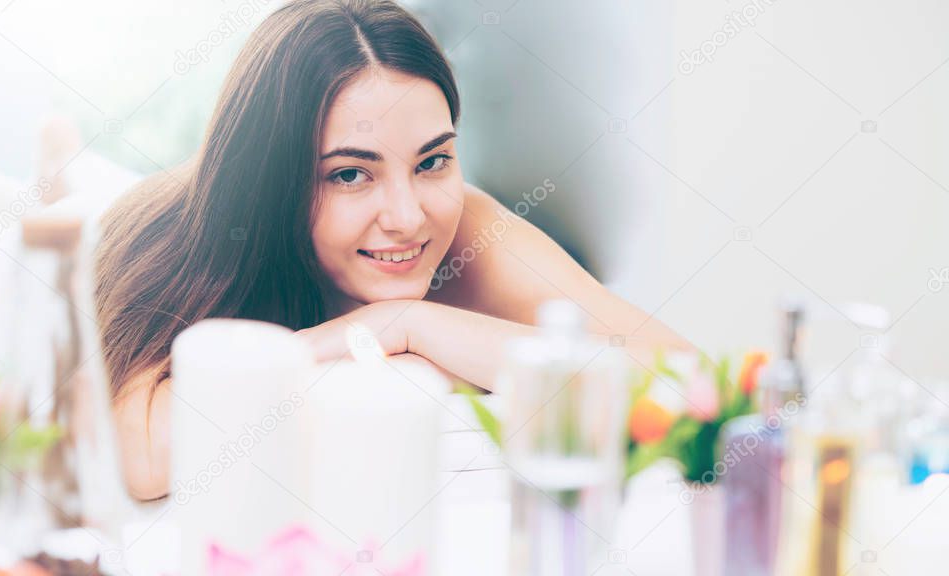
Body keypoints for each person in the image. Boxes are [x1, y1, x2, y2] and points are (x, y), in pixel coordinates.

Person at [96, 0, 690, 500]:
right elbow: (142, 457)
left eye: (432, 161)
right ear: (272, 182)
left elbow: (682, 382)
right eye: (351, 175)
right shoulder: (171, 238)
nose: (407, 218)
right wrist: (392, 364)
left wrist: (412, 325)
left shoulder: (470, 234)